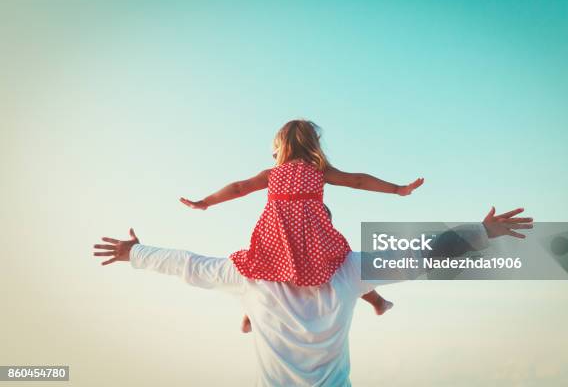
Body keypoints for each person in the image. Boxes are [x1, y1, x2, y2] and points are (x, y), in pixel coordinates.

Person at [93, 206, 532, 386]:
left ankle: (250, 316)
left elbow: (188, 265)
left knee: (247, 303)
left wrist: (136, 253)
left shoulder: (247, 274)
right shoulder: (349, 268)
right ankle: (250, 316)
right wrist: (480, 232)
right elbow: (423, 256)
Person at [178, 120, 423, 332]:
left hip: (276, 241)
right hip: (312, 243)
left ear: (281, 148)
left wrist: (206, 202)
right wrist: (397, 189)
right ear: (312, 146)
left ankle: (249, 314)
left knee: (257, 269)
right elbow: (358, 181)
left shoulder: (272, 174)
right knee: (344, 263)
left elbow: (239, 188)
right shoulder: (318, 171)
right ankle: (377, 302)